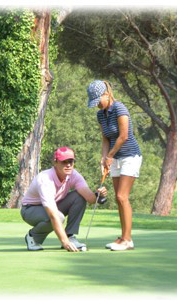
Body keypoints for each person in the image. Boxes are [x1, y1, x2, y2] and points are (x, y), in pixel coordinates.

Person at [87, 80, 142, 251]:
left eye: (98, 101)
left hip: (130, 156)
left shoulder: (119, 108)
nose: (97, 105)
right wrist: (104, 158)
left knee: (121, 197)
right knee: (119, 199)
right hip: (115, 158)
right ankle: (123, 237)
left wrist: (110, 155)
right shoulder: (101, 115)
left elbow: (123, 136)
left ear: (106, 94)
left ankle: (128, 240)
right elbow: (106, 138)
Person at [20, 146, 107, 252]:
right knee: (59, 217)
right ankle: (32, 236)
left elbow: (90, 199)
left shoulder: (74, 175)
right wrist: (64, 242)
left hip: (53, 205)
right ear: (55, 163)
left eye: (71, 161)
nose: (68, 165)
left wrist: (99, 195)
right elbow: (53, 215)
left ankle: (70, 236)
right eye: (64, 162)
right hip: (30, 210)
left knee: (79, 196)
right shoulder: (45, 179)